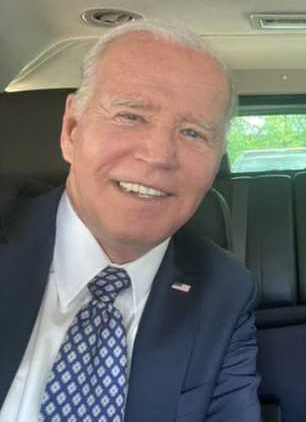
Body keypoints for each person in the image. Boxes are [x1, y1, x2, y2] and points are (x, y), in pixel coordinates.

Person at [0, 22, 261, 421]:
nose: (159, 155)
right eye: (131, 116)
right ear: (72, 130)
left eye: (193, 132)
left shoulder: (224, 289)